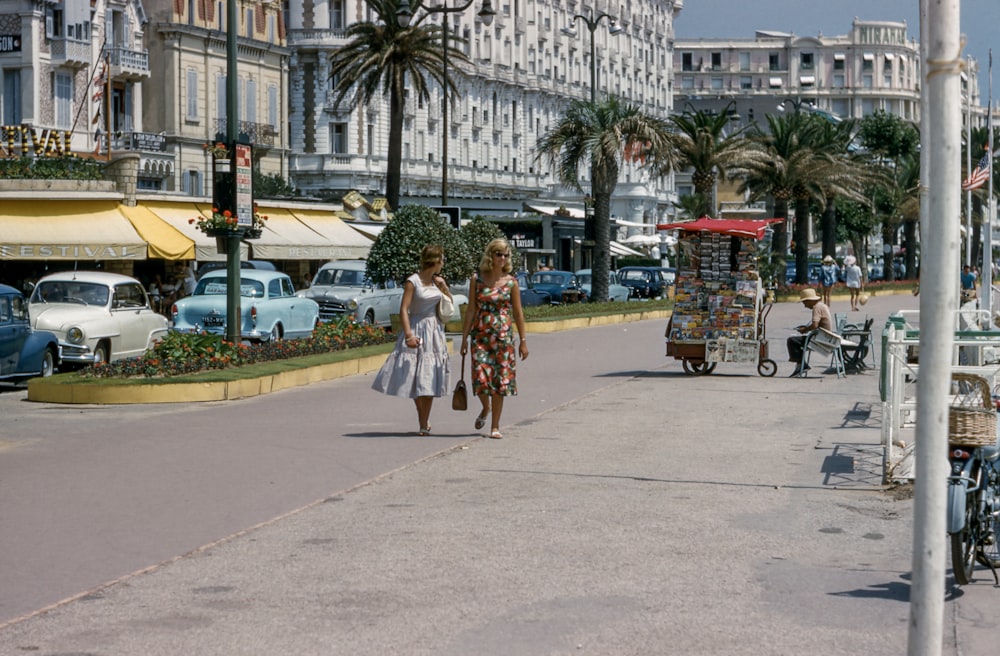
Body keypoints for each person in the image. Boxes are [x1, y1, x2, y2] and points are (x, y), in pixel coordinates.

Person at [371, 244, 453, 435]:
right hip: (417, 327)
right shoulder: (412, 281)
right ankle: (422, 418)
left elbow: (448, 305)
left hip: (434, 331)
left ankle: (424, 423)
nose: (443, 264)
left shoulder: (436, 282)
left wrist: (444, 287)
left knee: (430, 376)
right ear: (436, 261)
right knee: (416, 376)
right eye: (442, 260)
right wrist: (408, 334)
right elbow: (403, 309)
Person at [460, 238, 529, 439]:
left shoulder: (511, 282)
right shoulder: (477, 279)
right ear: (490, 256)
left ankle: (495, 426)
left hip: (503, 338)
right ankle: (485, 407)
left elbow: (518, 313)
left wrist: (523, 341)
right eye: (498, 254)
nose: (502, 258)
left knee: (500, 381)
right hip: (480, 335)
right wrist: (464, 338)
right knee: (480, 378)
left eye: (506, 255)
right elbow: (471, 309)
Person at [786, 288, 832, 377]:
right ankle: (801, 365)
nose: (805, 306)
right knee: (798, 342)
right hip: (825, 336)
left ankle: (801, 365)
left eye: (805, 303)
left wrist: (805, 330)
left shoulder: (817, 307)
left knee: (792, 341)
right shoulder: (822, 305)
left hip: (821, 339)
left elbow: (814, 325)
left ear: (810, 300)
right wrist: (805, 328)